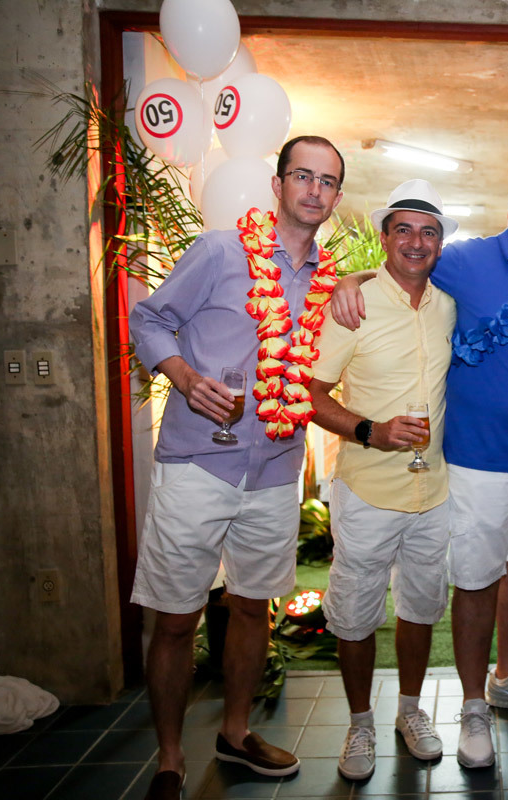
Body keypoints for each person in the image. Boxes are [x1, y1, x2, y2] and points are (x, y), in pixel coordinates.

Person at [328, 177, 508, 769]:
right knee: (475, 579)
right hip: (475, 458)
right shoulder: (468, 260)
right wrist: (351, 279)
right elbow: (407, 266)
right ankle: (473, 706)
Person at [128, 135, 345, 799]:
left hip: (276, 466)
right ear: (278, 185)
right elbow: (149, 319)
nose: (314, 189)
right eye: (302, 176)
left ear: (337, 197)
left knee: (254, 609)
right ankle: (170, 759)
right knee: (175, 617)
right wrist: (184, 377)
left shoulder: (329, 281)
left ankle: (236, 732)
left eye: (327, 181)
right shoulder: (221, 252)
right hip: (199, 462)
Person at [307, 179, 458, 781]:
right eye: (404, 229)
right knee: (354, 613)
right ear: (385, 237)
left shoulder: (448, 305)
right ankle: (360, 723)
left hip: (432, 491)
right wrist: (370, 430)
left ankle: (410, 711)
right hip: (368, 489)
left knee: (420, 608)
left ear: (440, 243)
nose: (416, 242)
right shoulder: (354, 305)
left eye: (429, 232)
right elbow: (312, 394)